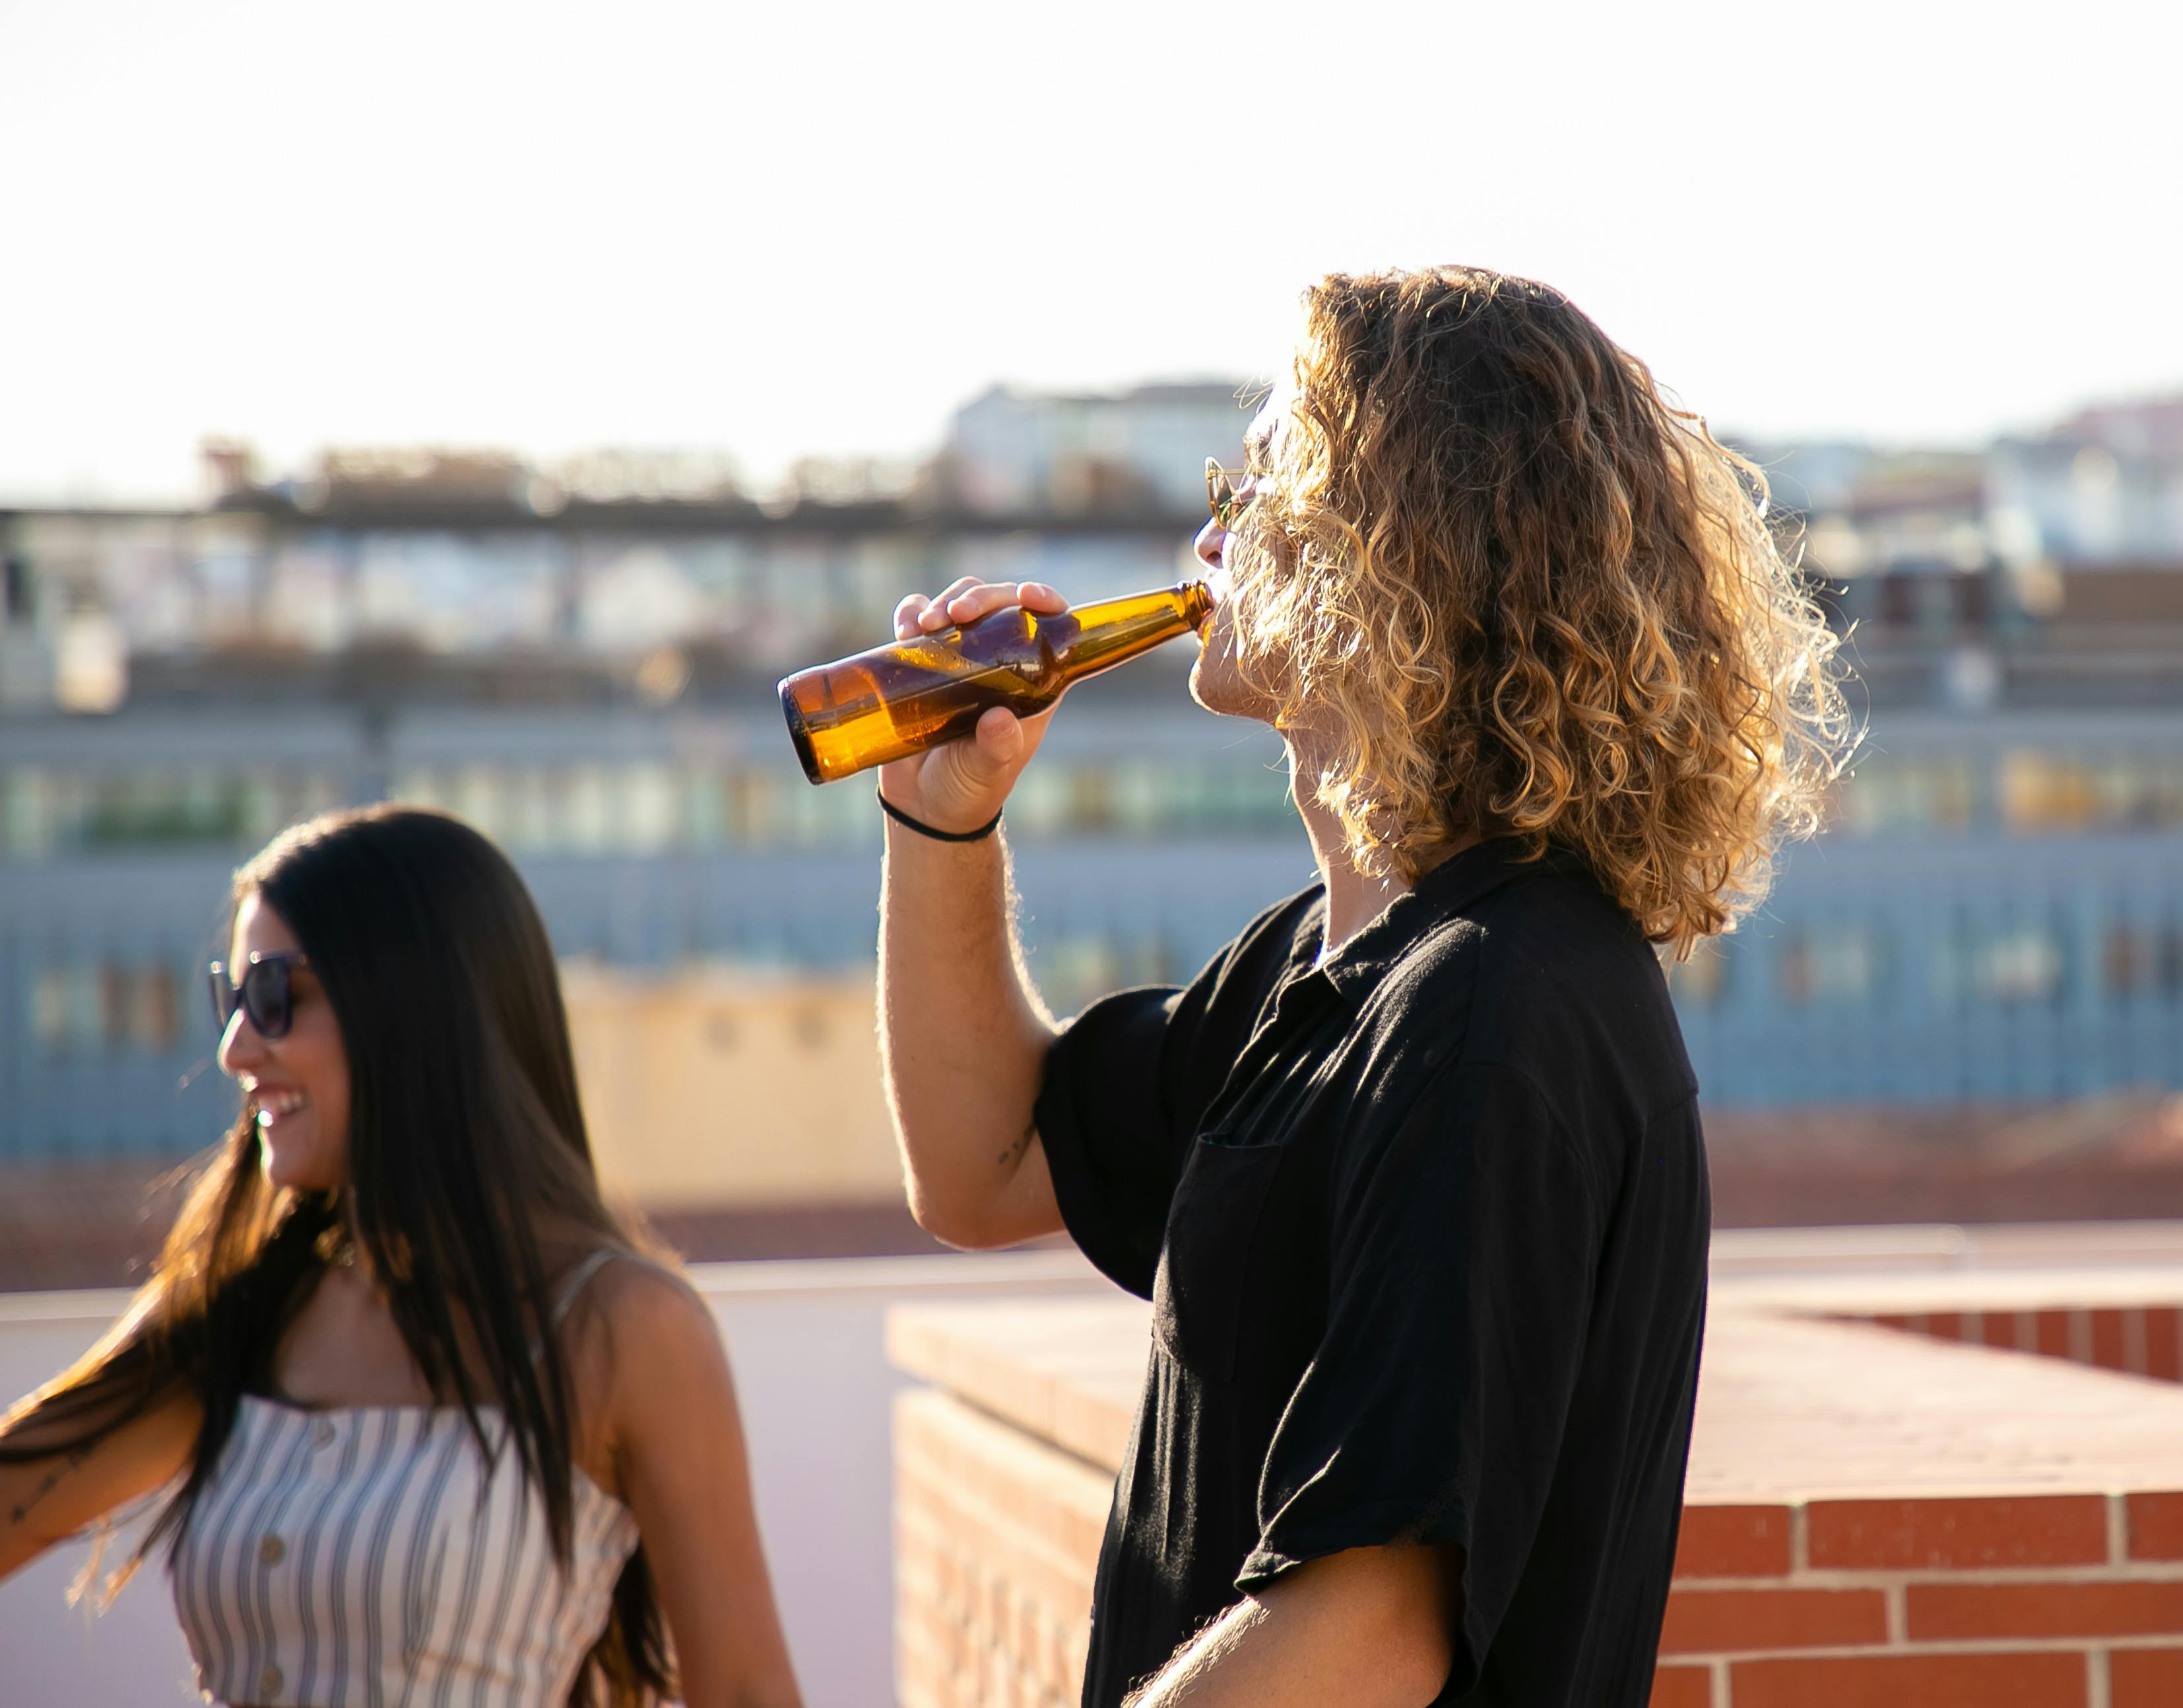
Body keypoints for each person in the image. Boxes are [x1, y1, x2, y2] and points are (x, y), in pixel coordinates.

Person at [875, 267, 1844, 1707]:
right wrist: (942, 816)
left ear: (1399, 555)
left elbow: (1371, 1632)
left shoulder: (1489, 1009)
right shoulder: (1326, 970)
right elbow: (984, 1163)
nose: (1207, 535)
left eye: (1258, 486)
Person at [0, 806, 802, 1708]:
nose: (234, 1048)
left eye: (275, 996)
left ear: (418, 1010)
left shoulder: (623, 1328)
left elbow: (744, 1690)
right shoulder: (249, 1306)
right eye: (233, 997)